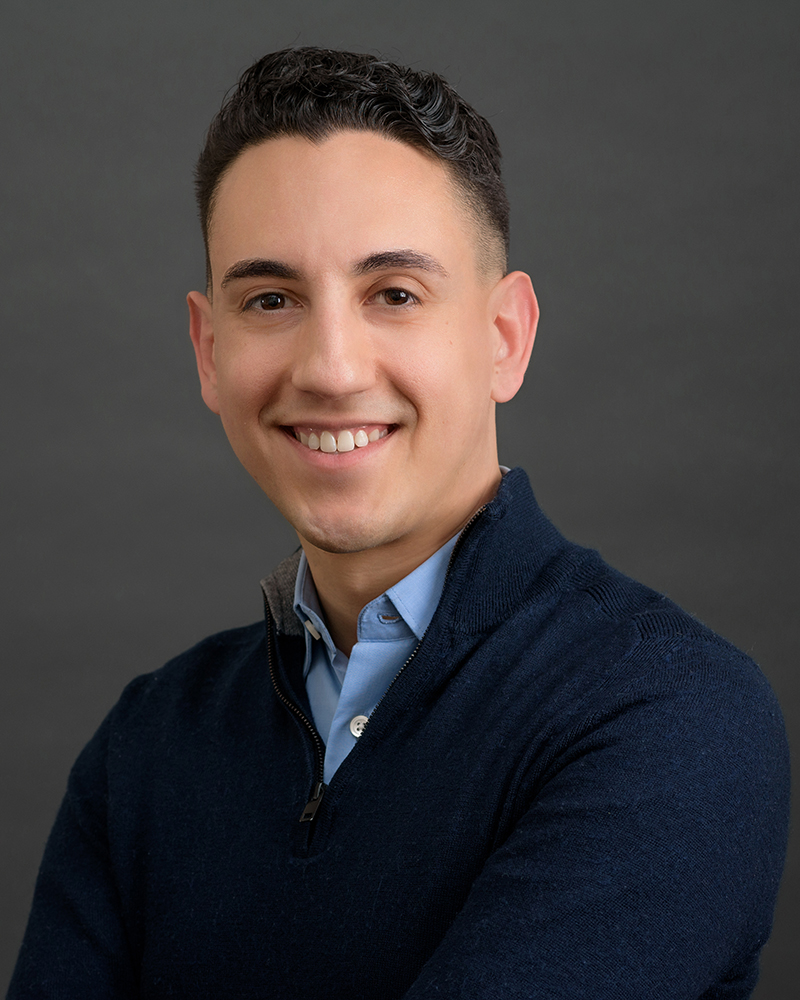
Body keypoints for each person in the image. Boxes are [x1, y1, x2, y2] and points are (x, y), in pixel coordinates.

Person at [9, 47, 789, 1000]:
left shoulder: (670, 716)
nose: (331, 368)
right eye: (271, 300)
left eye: (395, 295)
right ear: (209, 353)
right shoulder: (147, 745)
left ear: (505, 337)